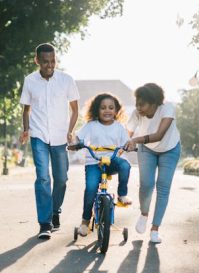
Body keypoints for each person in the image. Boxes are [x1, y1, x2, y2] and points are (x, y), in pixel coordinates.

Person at [19, 43, 79, 240]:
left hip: (60, 137)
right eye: (45, 62)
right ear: (37, 61)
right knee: (43, 178)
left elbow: (75, 109)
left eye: (53, 61)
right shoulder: (30, 81)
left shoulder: (66, 80)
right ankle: (44, 223)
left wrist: (70, 131)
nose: (49, 65)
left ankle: (55, 212)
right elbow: (26, 109)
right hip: (38, 136)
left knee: (61, 179)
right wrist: (26, 129)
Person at [125, 83, 181, 244]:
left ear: (154, 102)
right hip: (147, 150)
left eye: (142, 104)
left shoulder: (167, 109)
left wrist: (135, 140)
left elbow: (159, 135)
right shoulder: (137, 113)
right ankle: (144, 214)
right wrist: (121, 148)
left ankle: (155, 229)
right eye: (137, 103)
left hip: (169, 149)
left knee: (163, 187)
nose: (138, 107)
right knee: (146, 184)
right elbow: (127, 133)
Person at [74, 93, 132, 236]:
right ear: (96, 110)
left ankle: (122, 195)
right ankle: (85, 222)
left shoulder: (119, 127)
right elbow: (78, 137)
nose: (107, 111)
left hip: (111, 161)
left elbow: (126, 143)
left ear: (116, 111)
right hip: (94, 162)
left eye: (111, 108)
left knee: (125, 165)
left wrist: (129, 146)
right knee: (91, 188)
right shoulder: (91, 126)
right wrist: (75, 143)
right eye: (103, 108)